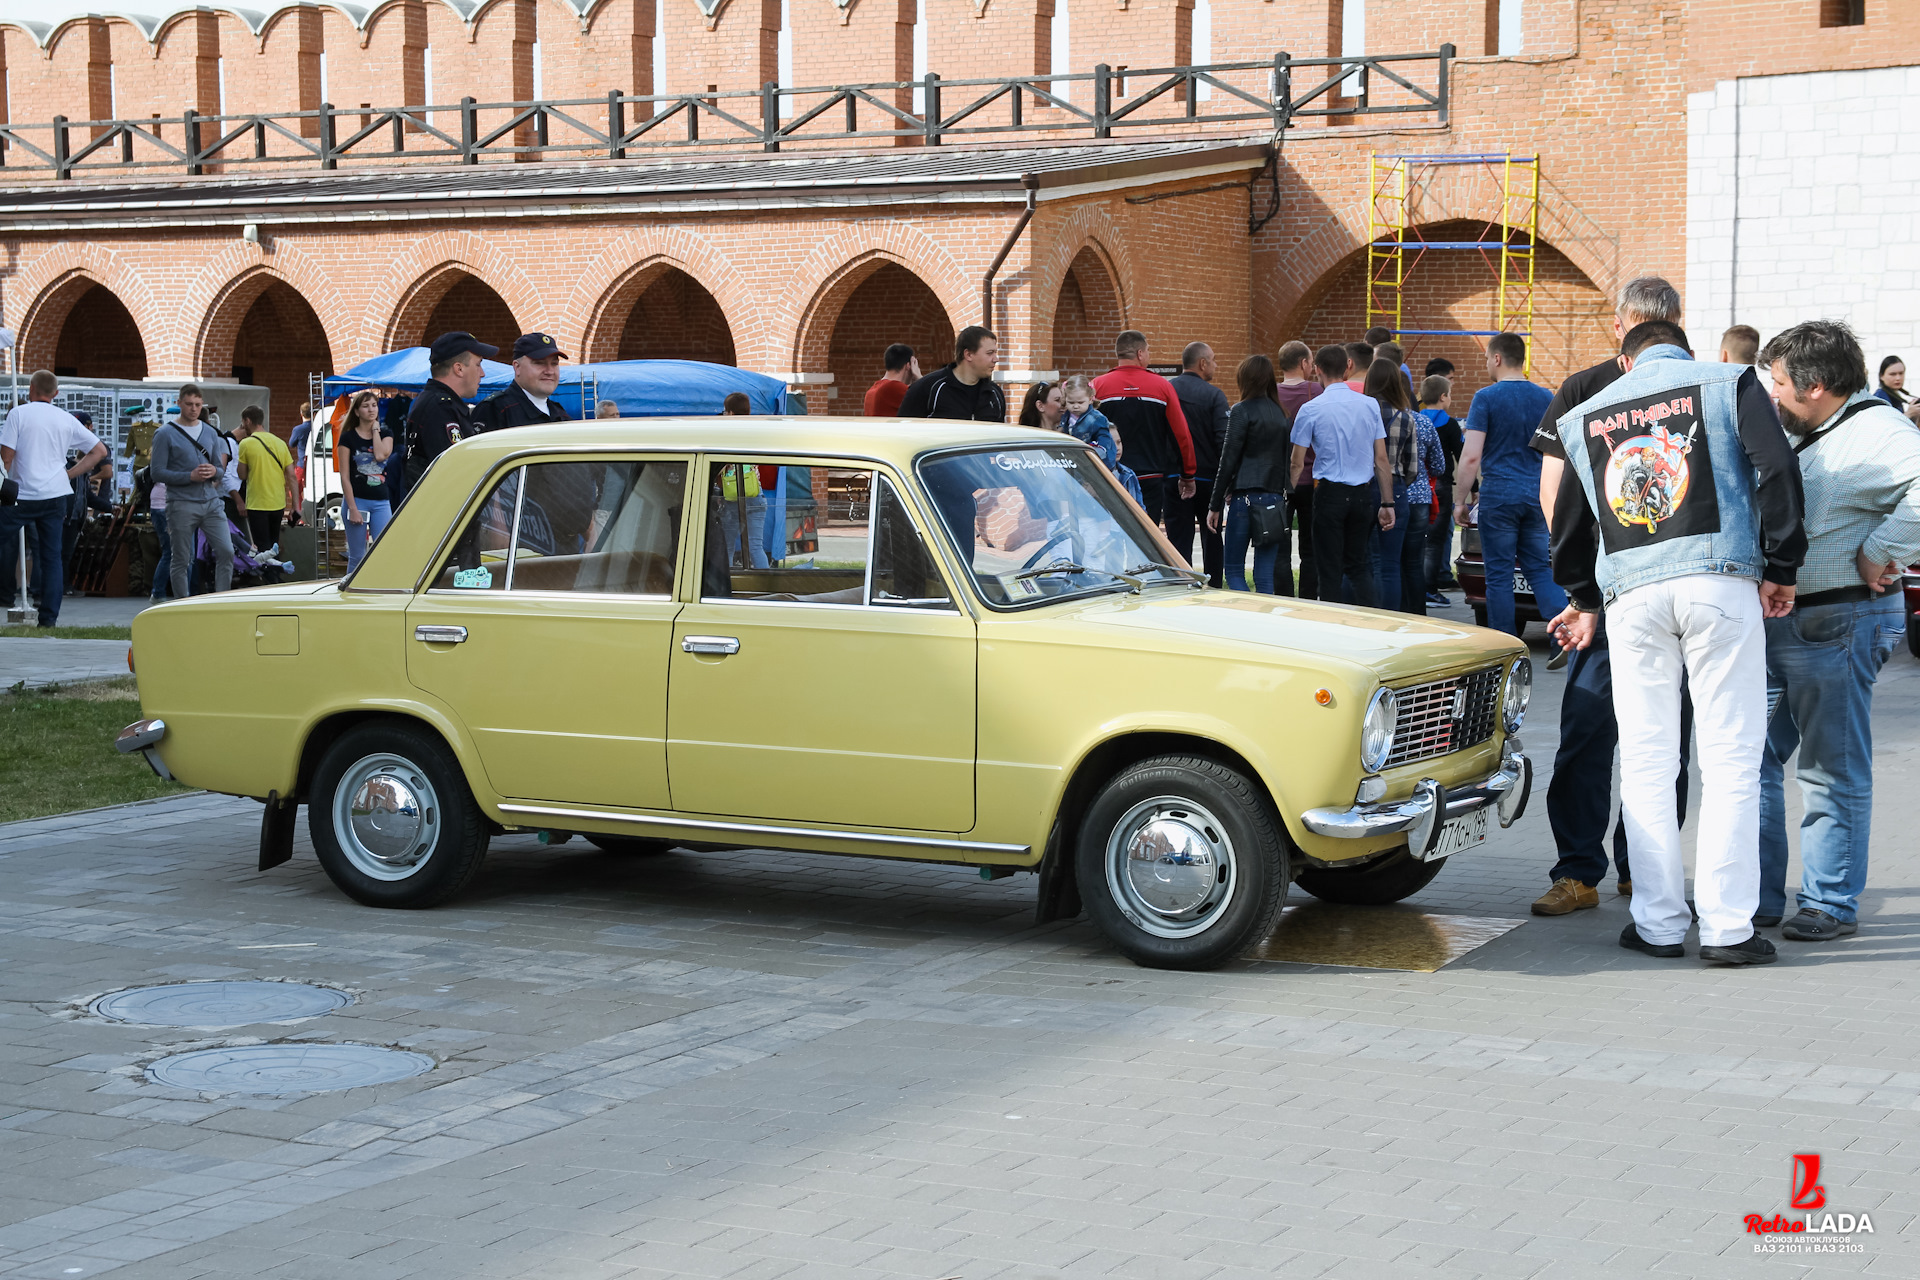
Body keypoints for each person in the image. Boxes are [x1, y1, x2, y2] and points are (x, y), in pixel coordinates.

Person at [1548, 319, 1806, 965]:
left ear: (1626, 361)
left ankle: (1658, 924)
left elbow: (1570, 521)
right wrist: (1781, 566)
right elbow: (1775, 468)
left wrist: (1583, 596)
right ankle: (1726, 928)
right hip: (1719, 583)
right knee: (1729, 758)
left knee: (1644, 760)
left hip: (1632, 595)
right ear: (1685, 353)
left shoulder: (1588, 411)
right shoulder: (1727, 383)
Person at [1527, 275, 1690, 915]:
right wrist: (1587, 589)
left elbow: (1551, 495)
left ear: (1622, 326)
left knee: (1620, 738)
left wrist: (1576, 583)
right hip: (1621, 595)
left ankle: (1621, 871)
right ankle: (1599, 870)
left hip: (1639, 593)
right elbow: (1556, 492)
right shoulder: (1585, 389)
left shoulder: (1694, 386)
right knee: (1611, 734)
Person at [1756, 321, 1920, 942]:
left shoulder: (1880, 430)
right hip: (1781, 620)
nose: (1772, 394)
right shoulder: (1807, 427)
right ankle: (1757, 896)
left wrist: (1884, 547)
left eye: (1779, 384)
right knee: (1752, 760)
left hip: (1839, 619)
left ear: (1816, 385)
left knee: (1830, 768)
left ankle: (1829, 902)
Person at [1453, 332, 1566, 647]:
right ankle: (1564, 634)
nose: (1487, 363)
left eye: (1488, 358)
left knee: (1499, 574)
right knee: (1540, 569)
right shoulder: (1546, 397)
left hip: (1500, 495)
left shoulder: (1486, 398)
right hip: (1536, 493)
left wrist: (1459, 500)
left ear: (1498, 358)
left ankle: (1505, 645)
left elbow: (1472, 455)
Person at [1290, 344, 1393, 609]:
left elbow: (1296, 462)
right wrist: (1387, 502)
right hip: (1362, 493)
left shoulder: (1311, 409)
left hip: (1329, 493)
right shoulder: (1369, 405)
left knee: (1329, 567)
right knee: (1359, 565)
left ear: (1317, 370)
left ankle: (1332, 624)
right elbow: (1381, 458)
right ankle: (1372, 620)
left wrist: (1287, 495)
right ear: (1347, 367)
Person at [0, 372, 106, 625]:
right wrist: (68, 474)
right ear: (56, 393)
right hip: (55, 495)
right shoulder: (66, 419)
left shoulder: (18, 414)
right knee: (51, 558)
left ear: (31, 389)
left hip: (20, 494)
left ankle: (5, 593)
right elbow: (99, 451)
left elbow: (6, 456)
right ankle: (48, 619)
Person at [1208, 354, 1292, 594]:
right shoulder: (1280, 414)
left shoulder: (1241, 410)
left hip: (1245, 498)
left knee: (1234, 569)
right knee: (1264, 573)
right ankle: (1264, 622)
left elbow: (1228, 460)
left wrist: (1215, 504)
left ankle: (1245, 620)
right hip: (1274, 499)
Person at [1092, 330, 1196, 524]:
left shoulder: (1097, 386)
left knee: (1110, 533)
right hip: (1150, 475)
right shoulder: (1162, 386)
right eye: (1148, 351)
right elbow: (1181, 434)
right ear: (1140, 354)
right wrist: (1187, 474)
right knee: (1147, 535)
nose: (1149, 355)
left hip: (1109, 475)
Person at [149, 383, 233, 600]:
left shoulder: (210, 432)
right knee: (182, 558)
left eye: (197, 404)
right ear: (179, 404)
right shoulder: (165, 433)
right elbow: (156, 473)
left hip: (211, 501)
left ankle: (221, 600)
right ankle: (182, 602)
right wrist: (189, 477)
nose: (193, 409)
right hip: (181, 503)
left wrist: (215, 470)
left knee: (226, 551)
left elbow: (220, 469)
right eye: (189, 404)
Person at [1365, 358, 1425, 614]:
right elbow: (1412, 466)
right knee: (1388, 564)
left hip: (1364, 485)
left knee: (1360, 561)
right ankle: (1388, 620)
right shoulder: (1406, 417)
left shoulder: (1363, 411)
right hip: (1396, 488)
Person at [1169, 342, 1230, 586]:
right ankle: (1214, 584)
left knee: (1177, 539)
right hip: (1207, 480)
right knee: (1212, 536)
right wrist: (1225, 479)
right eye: (1213, 360)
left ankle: (1180, 584)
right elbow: (1223, 440)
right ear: (1202, 363)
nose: (1215, 365)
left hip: (1174, 478)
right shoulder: (1214, 395)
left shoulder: (1168, 390)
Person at [406, 331, 496, 481]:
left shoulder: (440, 403)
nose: (482, 373)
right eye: (478, 364)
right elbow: (457, 472)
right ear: (459, 369)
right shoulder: (439, 408)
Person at [1276, 341, 1324, 599]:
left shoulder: (1270, 393)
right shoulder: (1317, 390)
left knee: (1280, 547)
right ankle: (1308, 598)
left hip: (1280, 480)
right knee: (1310, 548)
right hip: (1312, 479)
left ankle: (1282, 595)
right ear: (1304, 363)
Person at [1060, 376, 1142, 504]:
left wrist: (1102, 474)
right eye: (1071, 402)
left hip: (1093, 466)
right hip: (1073, 466)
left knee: (1095, 506)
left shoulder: (1097, 419)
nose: (1075, 406)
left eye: (1080, 402)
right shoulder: (1066, 418)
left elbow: (1106, 447)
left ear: (1090, 399)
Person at [337, 391, 395, 572]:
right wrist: (353, 508)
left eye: (374, 405)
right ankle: (351, 593)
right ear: (356, 411)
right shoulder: (347, 438)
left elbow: (380, 455)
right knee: (357, 556)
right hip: (357, 501)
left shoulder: (386, 432)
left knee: (383, 551)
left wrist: (375, 430)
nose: (371, 410)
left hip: (381, 501)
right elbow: (345, 476)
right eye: (365, 406)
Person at [1418, 375, 1463, 603]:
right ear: (1443, 396)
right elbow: (1461, 456)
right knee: (1435, 542)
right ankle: (1429, 589)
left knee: (1417, 539)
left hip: (1417, 485)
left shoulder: (1416, 420)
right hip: (1441, 485)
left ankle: (1416, 586)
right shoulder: (1450, 424)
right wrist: (1472, 486)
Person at [898, 326, 1006, 422]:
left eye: (995, 353)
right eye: (990, 353)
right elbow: (904, 432)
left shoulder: (994, 393)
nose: (996, 359)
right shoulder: (927, 388)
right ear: (968, 354)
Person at [1403, 384, 1447, 614]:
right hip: (1419, 496)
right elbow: (1439, 465)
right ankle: (1417, 613)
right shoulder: (1423, 422)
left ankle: (1394, 612)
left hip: (1389, 497)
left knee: (1389, 562)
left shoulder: (1379, 418)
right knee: (1413, 561)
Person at [475, 333, 571, 431]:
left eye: (554, 364)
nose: (549, 371)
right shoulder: (495, 410)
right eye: (539, 363)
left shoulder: (560, 413)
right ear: (517, 367)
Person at [234, 406, 296, 557]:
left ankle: (270, 578)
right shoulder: (280, 443)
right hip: (278, 502)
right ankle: (276, 575)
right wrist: (295, 506)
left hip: (257, 503)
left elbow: (241, 475)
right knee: (274, 543)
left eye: (243, 423)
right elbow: (292, 476)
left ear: (248, 421)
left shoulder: (246, 444)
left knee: (262, 546)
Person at [864, 344, 920, 417]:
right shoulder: (893, 387)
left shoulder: (872, 390)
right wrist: (919, 377)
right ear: (908, 365)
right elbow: (930, 402)